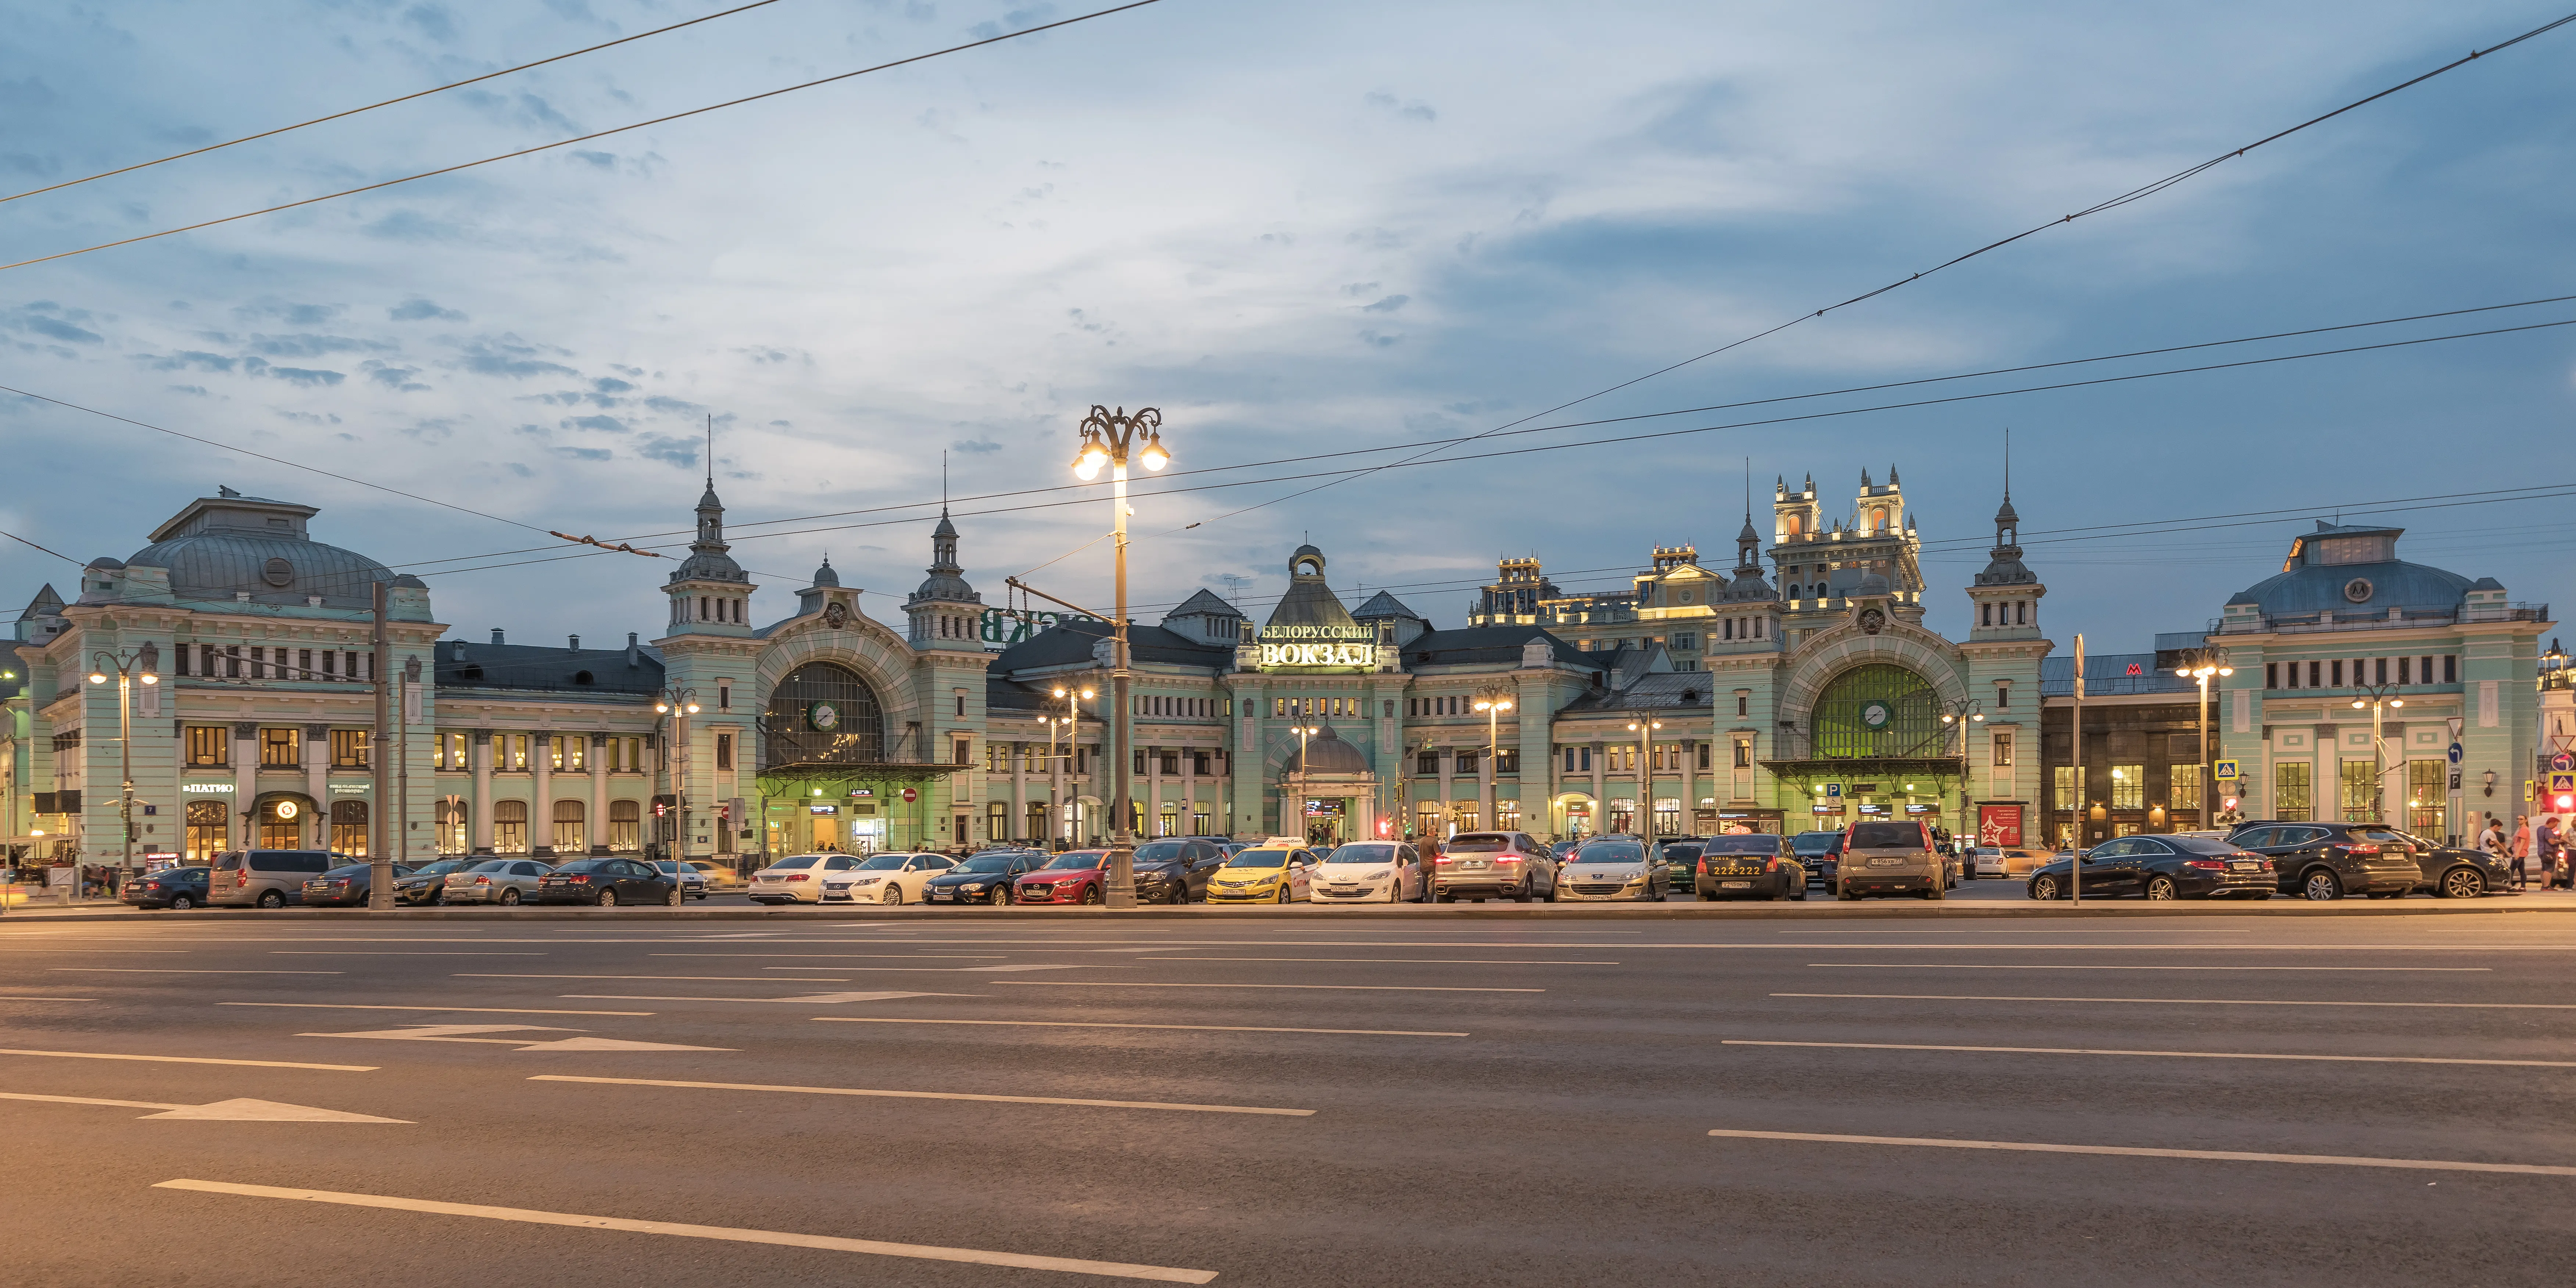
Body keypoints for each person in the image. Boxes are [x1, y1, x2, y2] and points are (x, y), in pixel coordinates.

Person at [2512, 815, 2533, 889]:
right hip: (2520, 852)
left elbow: (2522, 843)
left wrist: (2517, 853)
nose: (2519, 820)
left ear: (2526, 820)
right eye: (2518, 819)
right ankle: (2523, 887)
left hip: (2520, 853)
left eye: (2521, 819)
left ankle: (2507, 886)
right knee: (2521, 870)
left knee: (2511, 870)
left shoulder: (2524, 829)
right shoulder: (2520, 829)